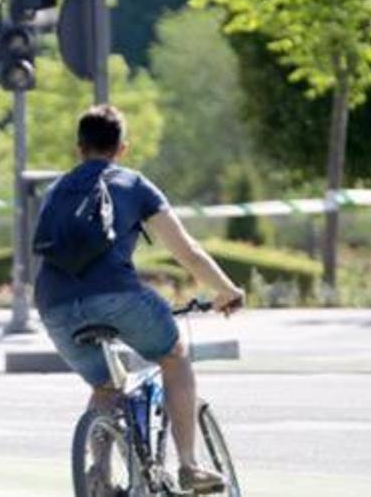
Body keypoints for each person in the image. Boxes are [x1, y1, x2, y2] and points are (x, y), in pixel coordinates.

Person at [35, 105, 244, 494]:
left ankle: (97, 470)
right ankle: (189, 465)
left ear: (79, 148)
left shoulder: (54, 191)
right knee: (174, 353)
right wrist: (226, 290)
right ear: (122, 148)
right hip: (117, 295)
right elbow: (188, 252)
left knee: (104, 385)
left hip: (53, 305)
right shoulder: (134, 184)